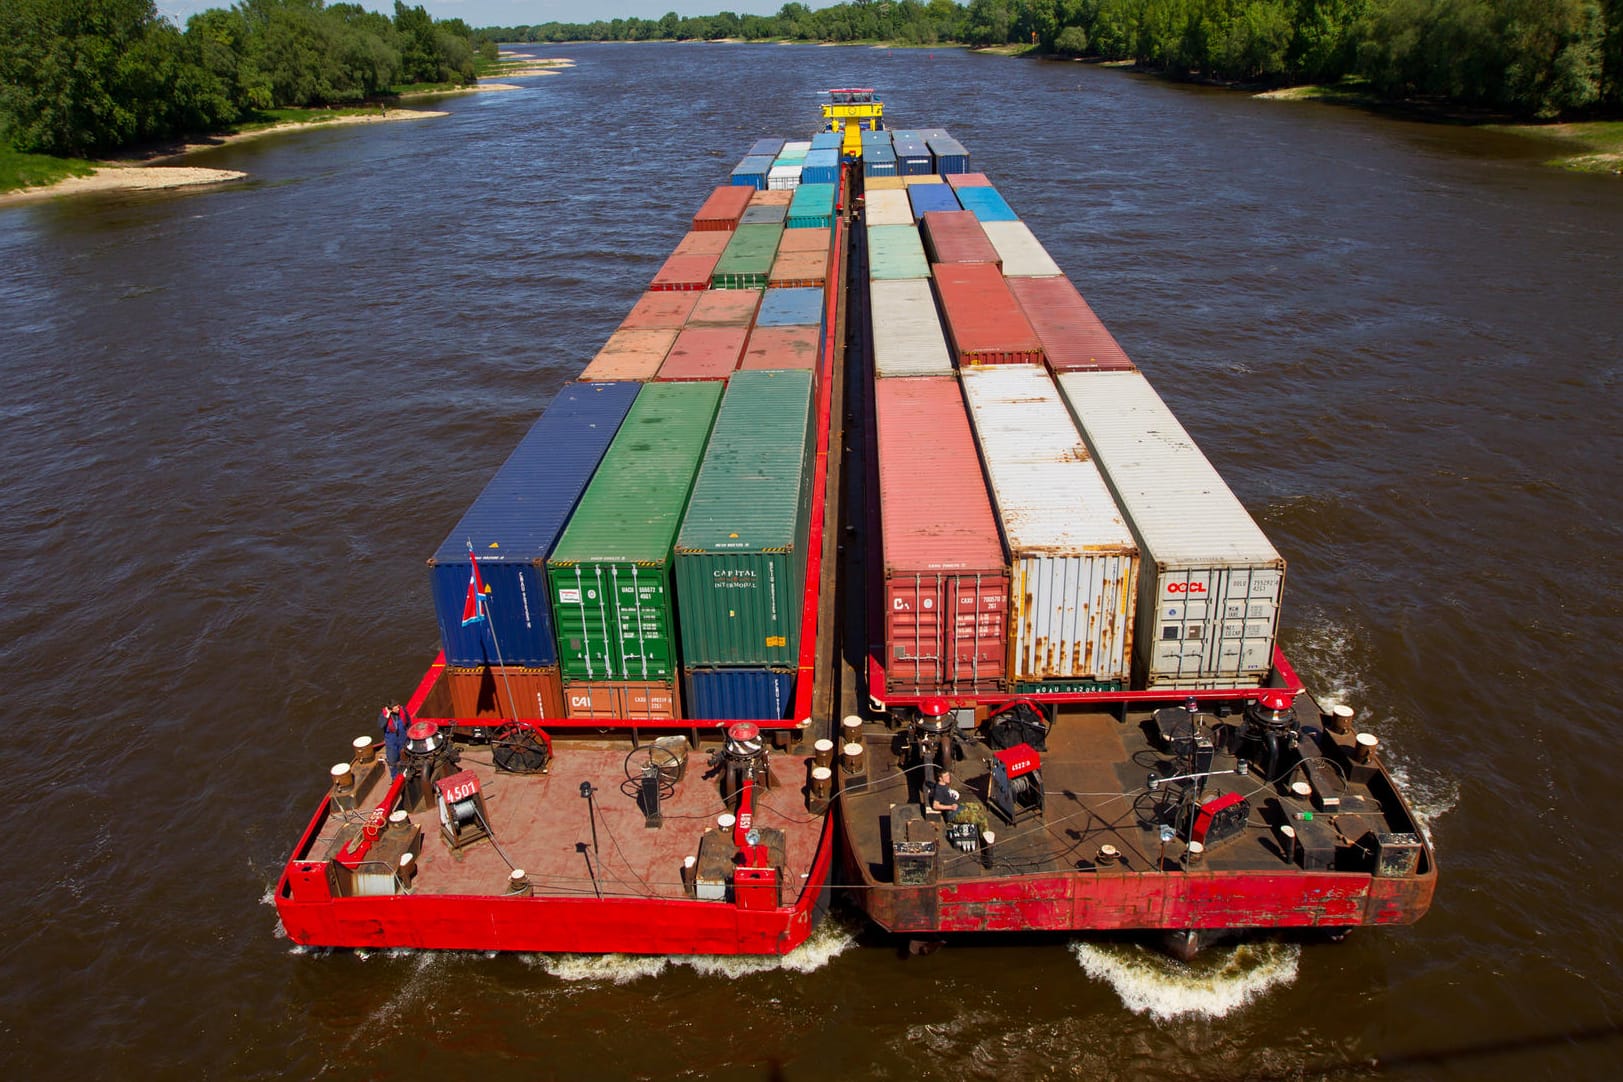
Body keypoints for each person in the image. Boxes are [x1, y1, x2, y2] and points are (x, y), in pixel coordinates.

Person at [379, 701, 411, 778]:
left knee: (406, 756)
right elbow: (381, 725)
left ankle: (407, 772)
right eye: (395, 708)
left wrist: (410, 733)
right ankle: (395, 777)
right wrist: (386, 716)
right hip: (392, 742)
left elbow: (408, 722)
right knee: (393, 760)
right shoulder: (384, 716)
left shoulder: (403, 711)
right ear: (391, 710)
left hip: (403, 738)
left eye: (398, 707)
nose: (398, 709)